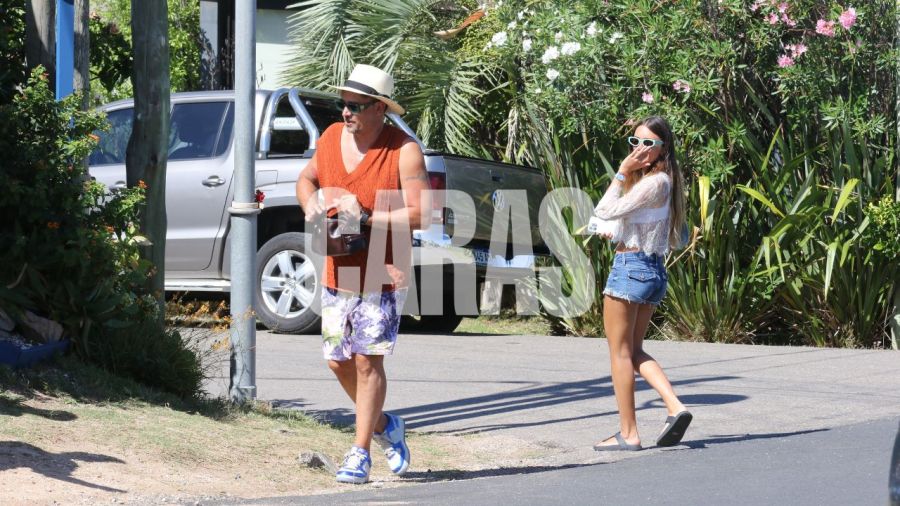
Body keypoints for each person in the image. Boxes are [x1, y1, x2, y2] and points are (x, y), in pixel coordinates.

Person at [295, 64, 431, 483]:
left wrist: (369, 216)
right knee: (338, 361)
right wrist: (310, 204)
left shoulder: (403, 150)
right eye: (343, 104)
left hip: (382, 272)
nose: (345, 113)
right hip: (338, 267)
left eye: (354, 106)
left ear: (379, 109)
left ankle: (359, 452)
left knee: (367, 363)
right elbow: (307, 178)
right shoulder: (332, 138)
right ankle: (384, 425)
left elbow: (423, 212)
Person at [591, 116, 692, 451]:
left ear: (664, 148)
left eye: (649, 144)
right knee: (632, 351)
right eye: (635, 143)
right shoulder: (667, 183)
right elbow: (658, 230)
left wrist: (620, 171)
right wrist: (617, 231)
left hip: (631, 268)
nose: (640, 150)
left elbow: (604, 209)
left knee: (619, 354)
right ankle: (675, 406)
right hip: (650, 269)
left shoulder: (653, 183)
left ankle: (629, 433)